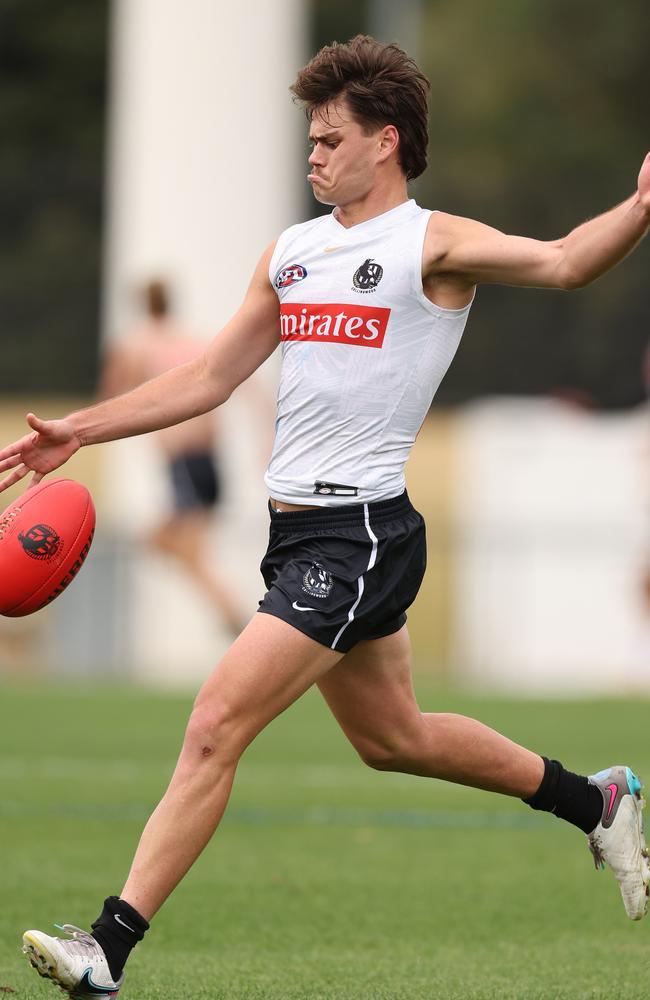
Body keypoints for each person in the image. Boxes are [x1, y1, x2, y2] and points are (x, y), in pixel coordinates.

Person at [1, 34, 648, 1000]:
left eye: (331, 138)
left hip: (363, 533)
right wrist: (82, 432)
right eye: (309, 138)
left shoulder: (430, 245)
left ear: (385, 142)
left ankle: (106, 949)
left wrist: (641, 207)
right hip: (295, 535)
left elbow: (561, 265)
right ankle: (593, 799)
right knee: (397, 739)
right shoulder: (293, 254)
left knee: (215, 722)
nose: (313, 154)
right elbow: (211, 377)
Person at [98, 278, 246, 637]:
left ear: (142, 305)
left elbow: (110, 396)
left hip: (184, 463)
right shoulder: (194, 342)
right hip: (209, 462)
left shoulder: (138, 345)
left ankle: (234, 615)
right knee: (174, 546)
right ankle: (228, 611)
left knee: (182, 552)